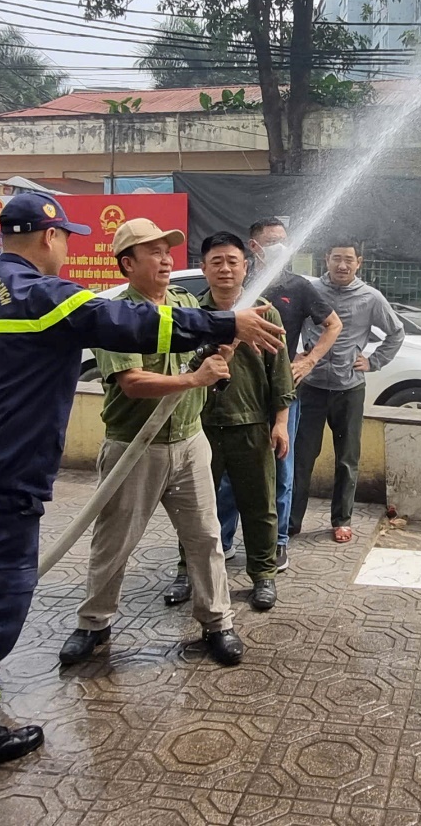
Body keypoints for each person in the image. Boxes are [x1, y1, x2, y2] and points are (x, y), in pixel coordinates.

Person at [0, 195, 283, 826]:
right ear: (49, 236)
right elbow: (128, 324)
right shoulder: (41, 295)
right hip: (1, 486)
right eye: (66, 235)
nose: (66, 246)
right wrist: (228, 324)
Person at [58, 219, 246, 667]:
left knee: (205, 537)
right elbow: (133, 382)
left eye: (168, 251)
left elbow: (211, 346)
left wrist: (224, 349)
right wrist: (194, 379)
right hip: (134, 447)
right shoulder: (114, 316)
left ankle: (218, 622)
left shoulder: (184, 302)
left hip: (190, 441)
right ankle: (93, 624)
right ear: (128, 264)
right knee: (114, 542)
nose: (165, 260)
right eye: (154, 252)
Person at [211, 218, 341, 573]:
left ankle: (277, 542)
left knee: (282, 469)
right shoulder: (240, 285)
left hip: (283, 394)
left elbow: (334, 324)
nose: (281, 246)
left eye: (284, 240)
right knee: (229, 472)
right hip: (238, 394)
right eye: (272, 241)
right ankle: (222, 541)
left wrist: (309, 361)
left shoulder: (298, 287)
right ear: (254, 248)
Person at [173, 232, 293, 612]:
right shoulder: (193, 314)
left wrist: (280, 423)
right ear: (204, 269)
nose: (225, 269)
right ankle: (187, 572)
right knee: (194, 507)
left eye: (232, 261)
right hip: (199, 425)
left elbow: (280, 374)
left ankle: (263, 575)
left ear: (246, 267)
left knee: (259, 506)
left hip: (251, 426)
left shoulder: (265, 313)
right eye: (216, 262)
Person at [290, 241, 404, 543]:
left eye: (349, 260)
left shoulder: (370, 297)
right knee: (301, 456)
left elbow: (396, 332)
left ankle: (342, 519)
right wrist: (295, 355)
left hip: (349, 389)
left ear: (359, 262)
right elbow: (290, 322)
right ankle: (291, 520)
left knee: (347, 458)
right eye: (337, 258)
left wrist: (374, 361)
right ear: (326, 259)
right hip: (311, 387)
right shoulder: (311, 291)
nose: (342, 265)